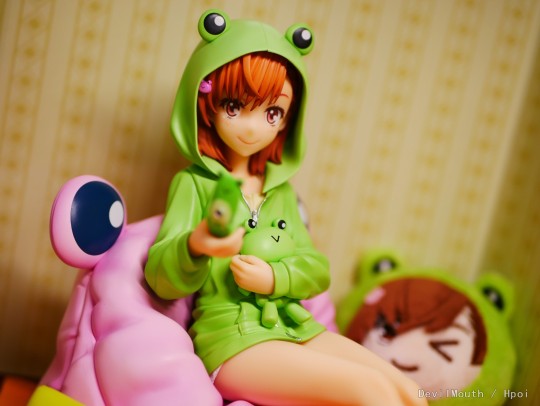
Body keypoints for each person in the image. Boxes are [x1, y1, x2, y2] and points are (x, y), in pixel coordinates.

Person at [144, 10, 425, 406]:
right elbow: (160, 279)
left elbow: (316, 269)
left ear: (287, 120)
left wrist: (275, 278)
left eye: (271, 112)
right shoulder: (193, 184)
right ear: (206, 104)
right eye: (234, 106)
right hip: (231, 341)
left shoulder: (282, 192)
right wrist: (195, 245)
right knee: (371, 392)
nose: (251, 126)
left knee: (409, 391)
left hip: (294, 328)